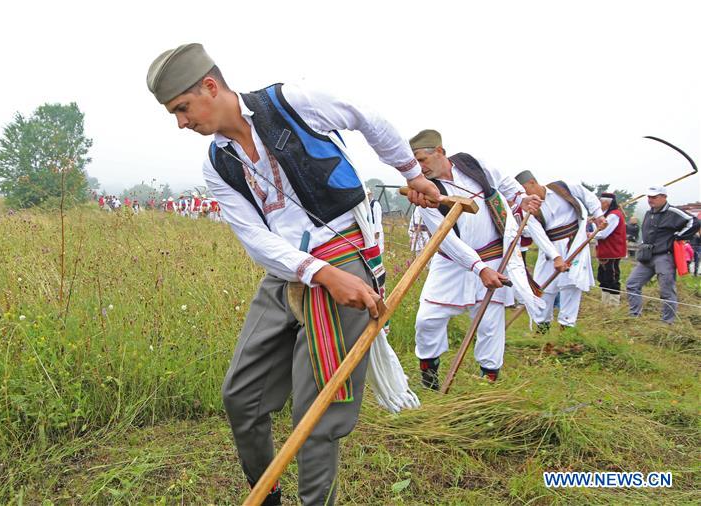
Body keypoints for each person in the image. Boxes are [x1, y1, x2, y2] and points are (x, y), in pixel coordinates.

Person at [147, 43, 439, 505]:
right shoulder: (216, 163)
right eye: (174, 114)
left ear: (209, 86)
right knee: (241, 397)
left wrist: (409, 171)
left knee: (316, 414)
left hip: (345, 254)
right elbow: (255, 238)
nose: (181, 123)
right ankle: (267, 498)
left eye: (182, 108)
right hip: (289, 271)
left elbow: (366, 117)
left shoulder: (291, 102)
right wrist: (316, 273)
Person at [409, 130, 543, 388]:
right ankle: (429, 376)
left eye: (423, 160)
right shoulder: (425, 194)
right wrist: (478, 268)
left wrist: (522, 200)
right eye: (415, 163)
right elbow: (446, 239)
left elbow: (504, 183)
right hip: (451, 263)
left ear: (440, 152)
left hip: (493, 257)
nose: (420, 168)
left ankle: (488, 382)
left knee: (490, 323)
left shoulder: (472, 164)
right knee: (427, 319)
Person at [516, 171, 606, 332]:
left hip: (575, 243)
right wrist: (556, 257)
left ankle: (567, 328)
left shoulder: (562, 188)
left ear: (532, 182)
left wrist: (598, 215)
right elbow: (538, 235)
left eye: (524, 190)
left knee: (571, 285)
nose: (524, 195)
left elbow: (588, 197)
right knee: (543, 287)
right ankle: (542, 327)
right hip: (550, 249)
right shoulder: (528, 207)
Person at [626, 186, 700, 322]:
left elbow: (694, 222)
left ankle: (667, 322)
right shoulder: (649, 213)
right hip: (647, 256)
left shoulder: (674, 212)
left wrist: (678, 236)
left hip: (664, 256)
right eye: (649, 197)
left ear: (664, 197)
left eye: (654, 197)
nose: (650, 200)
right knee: (632, 284)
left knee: (666, 291)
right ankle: (634, 316)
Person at [594, 192, 627, 306]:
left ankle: (613, 306)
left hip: (612, 251)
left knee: (612, 278)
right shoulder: (607, 215)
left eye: (600, 202)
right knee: (603, 278)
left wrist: (589, 235)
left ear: (606, 203)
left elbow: (603, 234)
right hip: (605, 251)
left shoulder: (614, 215)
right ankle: (605, 304)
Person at [367, 188, 385, 254]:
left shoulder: (375, 204)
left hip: (375, 228)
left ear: (370, 195)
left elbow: (378, 218)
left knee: (378, 248)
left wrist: (377, 231)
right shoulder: (367, 204)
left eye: (368, 195)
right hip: (370, 228)